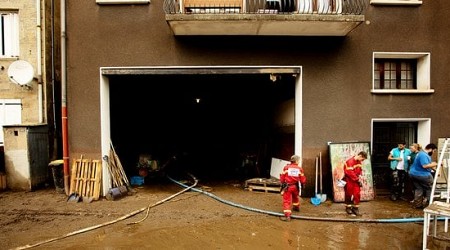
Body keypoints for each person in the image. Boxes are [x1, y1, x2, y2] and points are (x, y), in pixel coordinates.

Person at [279, 155, 306, 222]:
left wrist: (282, 184)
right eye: (299, 160)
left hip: (287, 187)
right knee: (295, 197)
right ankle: (296, 208)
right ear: (296, 161)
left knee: (287, 201)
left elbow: (282, 178)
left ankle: (287, 216)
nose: (299, 162)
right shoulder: (300, 169)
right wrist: (303, 184)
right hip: (295, 187)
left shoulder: (286, 168)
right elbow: (302, 180)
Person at [343, 151, 368, 216]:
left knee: (357, 194)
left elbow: (359, 170)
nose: (362, 161)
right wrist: (357, 179)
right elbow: (349, 172)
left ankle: (355, 208)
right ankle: (348, 207)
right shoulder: (349, 161)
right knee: (348, 193)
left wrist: (359, 178)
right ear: (360, 156)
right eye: (362, 159)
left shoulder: (359, 162)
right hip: (349, 180)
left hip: (355, 180)